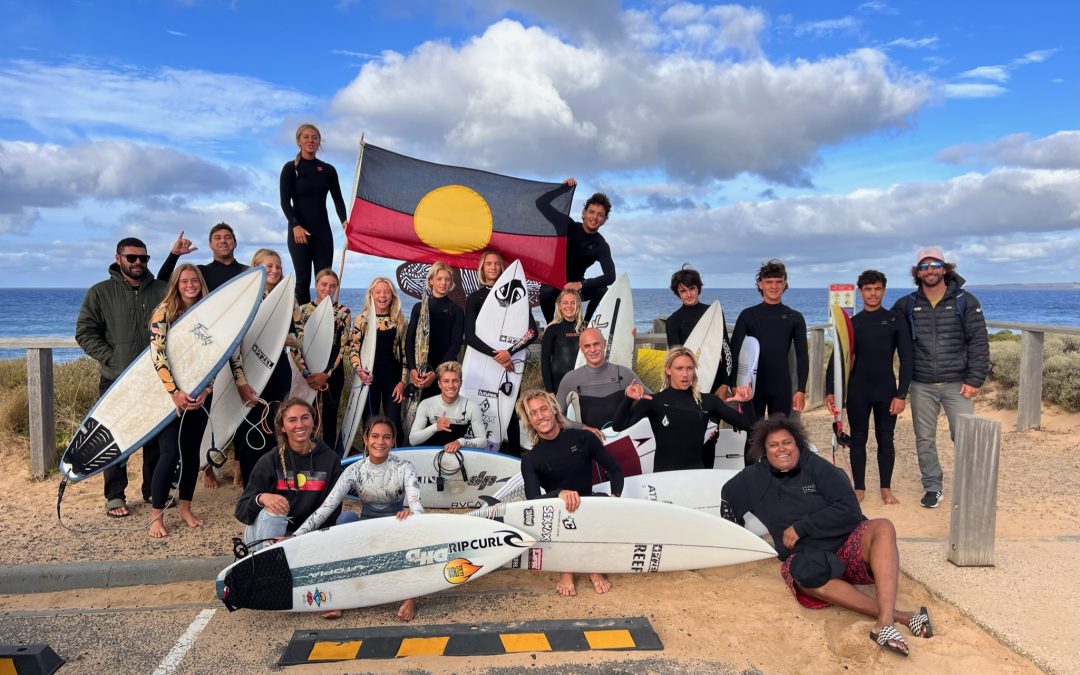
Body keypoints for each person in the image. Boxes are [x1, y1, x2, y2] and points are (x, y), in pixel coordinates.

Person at [721, 416, 934, 656]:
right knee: (803, 573)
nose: (781, 449)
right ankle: (903, 616)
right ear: (764, 449)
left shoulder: (817, 467)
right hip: (808, 559)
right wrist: (734, 537)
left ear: (797, 443)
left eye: (787, 442)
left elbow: (850, 509)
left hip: (848, 546)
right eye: (773, 445)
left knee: (883, 526)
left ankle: (884, 623)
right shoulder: (753, 478)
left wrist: (802, 527)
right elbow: (728, 495)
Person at [293, 415, 423, 621]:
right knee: (345, 519)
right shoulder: (354, 470)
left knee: (411, 524)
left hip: (395, 526)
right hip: (366, 528)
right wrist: (296, 536)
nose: (380, 442)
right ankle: (340, 598)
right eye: (375, 436)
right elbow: (326, 507)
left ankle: (410, 597)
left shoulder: (404, 467)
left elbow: (417, 506)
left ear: (393, 440)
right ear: (365, 438)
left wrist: (411, 514)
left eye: (386, 437)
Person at [890, 247, 989, 509]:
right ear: (917, 272)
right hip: (921, 384)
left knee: (965, 436)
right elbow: (885, 332)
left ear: (945, 268)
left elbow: (978, 341)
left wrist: (975, 379)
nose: (929, 270)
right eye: (924, 266)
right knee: (924, 439)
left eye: (935, 264)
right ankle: (933, 487)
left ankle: (970, 487)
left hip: (958, 383)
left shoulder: (965, 301)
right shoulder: (907, 304)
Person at [76, 237, 167, 518]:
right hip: (115, 378)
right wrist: (112, 358)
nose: (138, 262)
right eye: (132, 258)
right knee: (116, 437)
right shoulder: (100, 292)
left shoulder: (163, 290)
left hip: (156, 379)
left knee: (155, 439)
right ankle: (114, 495)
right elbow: (85, 332)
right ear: (118, 258)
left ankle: (153, 490)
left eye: (144, 258)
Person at [517, 390, 623, 597]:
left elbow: (615, 469)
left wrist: (615, 498)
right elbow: (532, 500)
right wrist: (558, 493)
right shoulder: (531, 460)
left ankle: (592, 567)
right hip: (560, 515)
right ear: (529, 421)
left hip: (589, 506)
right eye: (533, 413)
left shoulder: (583, 438)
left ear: (554, 409)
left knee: (590, 505)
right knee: (562, 510)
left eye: (544, 409)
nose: (541, 416)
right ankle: (567, 569)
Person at [826, 270, 913, 504]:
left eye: (877, 289)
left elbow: (907, 359)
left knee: (886, 438)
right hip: (858, 391)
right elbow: (837, 358)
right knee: (859, 439)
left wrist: (902, 394)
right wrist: (830, 390)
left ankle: (886, 488)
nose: (872, 294)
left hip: (886, 390)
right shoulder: (853, 323)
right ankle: (860, 488)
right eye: (867, 289)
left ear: (883, 291)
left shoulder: (896, 321)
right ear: (861, 292)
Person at [229, 249, 308, 488]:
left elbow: (300, 336)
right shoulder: (245, 296)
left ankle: (274, 480)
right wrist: (240, 381)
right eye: (269, 266)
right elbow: (235, 343)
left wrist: (276, 337)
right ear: (256, 267)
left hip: (278, 369)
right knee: (250, 427)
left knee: (276, 425)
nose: (275, 271)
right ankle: (251, 485)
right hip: (251, 369)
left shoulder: (288, 299)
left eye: (278, 267)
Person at [234, 397, 356, 552]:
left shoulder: (330, 460)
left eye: (305, 418)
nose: (300, 425)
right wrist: (262, 498)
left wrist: (297, 538)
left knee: (349, 518)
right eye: (292, 420)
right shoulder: (270, 460)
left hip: (307, 536)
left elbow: (331, 513)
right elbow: (242, 510)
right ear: (282, 427)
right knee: (275, 508)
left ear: (313, 421)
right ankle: (266, 567)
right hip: (268, 536)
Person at [146, 265, 212, 538]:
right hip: (167, 395)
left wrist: (206, 390)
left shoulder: (208, 312)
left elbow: (214, 355)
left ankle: (185, 508)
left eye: (195, 280)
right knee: (170, 453)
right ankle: (156, 516)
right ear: (176, 283)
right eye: (185, 280)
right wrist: (174, 391)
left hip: (199, 394)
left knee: (190, 454)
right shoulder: (163, 312)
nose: (190, 285)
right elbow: (157, 355)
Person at [613, 347, 755, 472]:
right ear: (668, 370)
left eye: (689, 368)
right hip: (664, 476)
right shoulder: (653, 401)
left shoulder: (707, 401)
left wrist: (748, 402)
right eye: (679, 368)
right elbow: (618, 426)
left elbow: (750, 426)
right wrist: (628, 398)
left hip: (695, 475)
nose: (685, 374)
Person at [729, 259, 809, 459]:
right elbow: (734, 351)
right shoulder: (748, 315)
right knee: (752, 434)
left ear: (785, 284)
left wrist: (800, 389)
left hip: (780, 385)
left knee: (780, 436)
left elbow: (802, 355)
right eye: (769, 282)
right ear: (760, 284)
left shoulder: (794, 317)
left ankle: (776, 478)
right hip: (751, 387)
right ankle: (751, 479)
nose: (774, 286)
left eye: (778, 282)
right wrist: (734, 384)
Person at [463, 249, 537, 452]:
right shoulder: (475, 298)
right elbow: (469, 337)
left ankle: (512, 456)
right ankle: (473, 450)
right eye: (489, 264)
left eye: (497, 264)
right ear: (482, 268)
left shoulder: (517, 297)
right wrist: (498, 355)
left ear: (502, 268)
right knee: (475, 407)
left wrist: (510, 352)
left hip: (509, 365)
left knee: (510, 410)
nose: (493, 267)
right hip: (481, 363)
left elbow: (532, 332)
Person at [280, 123, 348, 305]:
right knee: (303, 280)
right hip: (298, 233)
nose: (310, 140)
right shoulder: (290, 169)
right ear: (299, 141)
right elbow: (285, 201)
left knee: (326, 281)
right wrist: (295, 225)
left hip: (322, 233)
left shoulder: (327, 170)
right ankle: (302, 322)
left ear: (319, 142)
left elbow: (338, 200)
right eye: (306, 137)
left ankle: (325, 319)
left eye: (314, 137)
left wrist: (345, 222)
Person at [538, 183, 615, 324]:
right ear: (584, 213)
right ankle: (551, 326)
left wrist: (581, 284)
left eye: (600, 215)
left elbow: (610, 277)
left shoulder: (601, 245)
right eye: (591, 212)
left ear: (604, 220)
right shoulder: (568, 226)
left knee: (602, 291)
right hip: (554, 284)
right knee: (546, 290)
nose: (595, 217)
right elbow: (541, 204)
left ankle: (585, 325)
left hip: (576, 287)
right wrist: (563, 188)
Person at [348, 277, 408, 448]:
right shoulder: (363, 319)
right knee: (369, 418)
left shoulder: (399, 319)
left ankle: (398, 456)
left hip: (392, 377)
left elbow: (405, 355)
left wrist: (403, 382)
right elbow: (354, 349)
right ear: (371, 295)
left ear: (392, 295)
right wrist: (359, 370)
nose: (382, 296)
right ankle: (369, 457)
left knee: (394, 419)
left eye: (387, 292)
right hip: (368, 377)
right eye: (378, 292)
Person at [298, 269, 351, 449]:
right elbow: (296, 346)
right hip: (306, 374)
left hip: (332, 373)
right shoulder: (303, 310)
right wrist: (306, 372)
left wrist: (326, 373)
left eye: (333, 286)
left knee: (329, 416)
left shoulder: (343, 312)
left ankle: (327, 457)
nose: (328, 289)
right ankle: (304, 451)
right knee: (306, 416)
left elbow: (342, 347)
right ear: (316, 285)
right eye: (324, 285)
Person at [556, 327, 646, 432]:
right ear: (581, 348)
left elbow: (653, 400)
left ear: (604, 343)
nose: (593, 350)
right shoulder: (570, 379)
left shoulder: (624, 374)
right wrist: (583, 428)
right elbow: (557, 415)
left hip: (623, 441)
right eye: (587, 346)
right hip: (589, 443)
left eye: (596, 344)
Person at [665, 265, 732, 398]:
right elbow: (675, 359)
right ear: (678, 293)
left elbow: (726, 350)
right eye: (683, 291)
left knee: (713, 419)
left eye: (692, 289)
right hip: (687, 384)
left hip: (716, 380)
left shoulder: (714, 314)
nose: (689, 294)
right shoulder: (673, 321)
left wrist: (725, 384)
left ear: (698, 289)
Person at [405, 262, 464, 402]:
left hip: (444, 372)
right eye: (439, 279)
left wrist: (437, 373)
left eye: (447, 279)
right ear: (431, 280)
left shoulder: (456, 310)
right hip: (419, 372)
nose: (443, 283)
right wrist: (412, 369)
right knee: (418, 416)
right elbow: (409, 341)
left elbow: (455, 345)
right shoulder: (419, 308)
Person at [409, 361, 488, 451]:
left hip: (455, 457)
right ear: (439, 384)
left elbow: (483, 442)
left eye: (455, 381)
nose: (451, 385)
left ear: (461, 383)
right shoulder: (426, 404)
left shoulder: (472, 407)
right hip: (428, 456)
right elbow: (413, 440)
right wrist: (435, 427)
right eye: (446, 381)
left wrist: (461, 442)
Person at [157, 223, 249, 291]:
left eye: (228, 237)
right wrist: (174, 254)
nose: (223, 241)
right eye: (217, 238)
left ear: (235, 243)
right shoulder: (200, 272)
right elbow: (162, 281)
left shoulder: (248, 272)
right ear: (210, 244)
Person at [540, 289, 584, 394]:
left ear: (578, 305)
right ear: (559, 305)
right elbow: (545, 362)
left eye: (573, 303)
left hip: (582, 383)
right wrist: (550, 390)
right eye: (565, 303)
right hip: (558, 384)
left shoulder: (585, 328)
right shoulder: (552, 329)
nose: (569, 306)